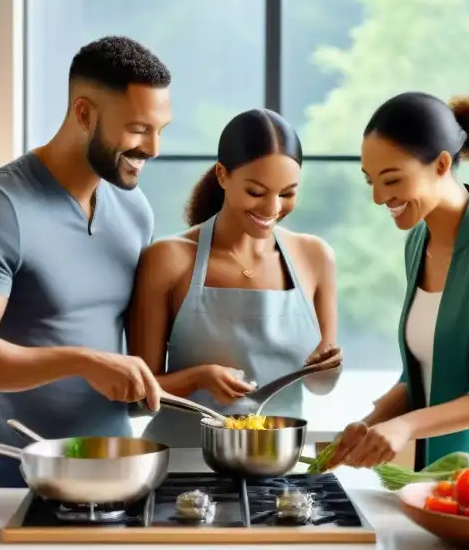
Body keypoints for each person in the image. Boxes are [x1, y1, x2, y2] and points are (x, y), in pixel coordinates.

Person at [0, 36, 173, 488]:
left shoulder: (134, 208)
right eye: (139, 128)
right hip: (15, 472)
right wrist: (81, 361)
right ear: (84, 114)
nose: (154, 148)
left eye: (161, 129)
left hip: (114, 470)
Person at [325, 92, 469, 474]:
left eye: (392, 179)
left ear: (442, 164)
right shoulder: (418, 242)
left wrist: (406, 426)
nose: (378, 197)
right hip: (442, 478)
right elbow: (426, 373)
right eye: (371, 181)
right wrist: (370, 424)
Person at [128, 108, 342, 448]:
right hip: (182, 466)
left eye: (287, 193)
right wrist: (198, 378)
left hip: (275, 467)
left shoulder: (315, 258)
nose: (272, 208)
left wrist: (328, 368)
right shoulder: (169, 258)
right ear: (222, 175)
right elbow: (138, 396)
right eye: (256, 192)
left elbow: (321, 385)